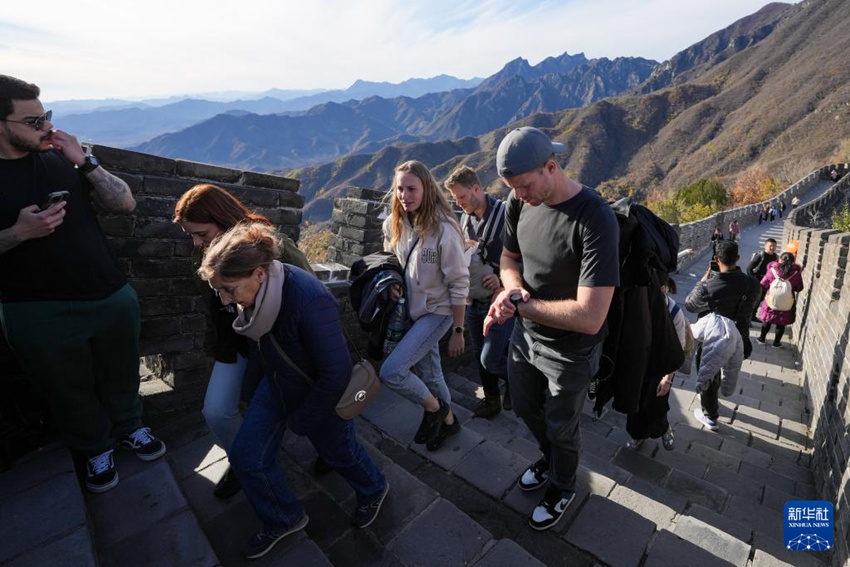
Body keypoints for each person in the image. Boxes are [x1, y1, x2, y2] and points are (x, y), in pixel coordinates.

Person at [0, 75, 164, 493]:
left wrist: (86, 162)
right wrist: (19, 233)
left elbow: (125, 203)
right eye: (34, 121)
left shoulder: (60, 157)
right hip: (35, 307)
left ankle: (131, 426)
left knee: (122, 370)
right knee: (65, 385)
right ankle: (94, 446)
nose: (47, 128)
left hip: (108, 292)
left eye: (47, 117)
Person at [198, 222, 388, 559]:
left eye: (229, 289)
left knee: (339, 453)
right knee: (247, 456)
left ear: (258, 273)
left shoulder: (309, 299)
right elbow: (262, 345)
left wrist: (303, 421)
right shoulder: (257, 295)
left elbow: (335, 371)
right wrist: (252, 387)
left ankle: (374, 488)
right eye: (220, 291)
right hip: (279, 384)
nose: (226, 300)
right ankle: (283, 517)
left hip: (321, 396)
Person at [484, 127, 619, 531]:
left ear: (550, 167)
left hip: (571, 350)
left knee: (563, 426)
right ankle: (550, 460)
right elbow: (508, 260)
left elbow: (590, 314)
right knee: (525, 407)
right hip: (525, 338)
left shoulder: (595, 217)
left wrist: (522, 303)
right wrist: (511, 292)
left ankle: (563, 485)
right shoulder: (516, 201)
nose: (519, 195)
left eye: (524, 186)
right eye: (512, 188)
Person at [173, 183, 314, 499]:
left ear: (222, 220)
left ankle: (335, 456)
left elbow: (313, 297)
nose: (197, 242)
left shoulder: (273, 247)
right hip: (236, 346)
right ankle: (246, 461)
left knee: (303, 412)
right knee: (217, 410)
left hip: (280, 348)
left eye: (201, 233)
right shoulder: (209, 251)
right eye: (191, 236)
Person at [381, 160, 469, 451]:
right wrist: (394, 282)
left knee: (393, 371)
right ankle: (450, 422)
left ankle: (434, 410)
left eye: (411, 188)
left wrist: (458, 330)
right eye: (399, 189)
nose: (404, 195)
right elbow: (394, 261)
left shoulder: (445, 231)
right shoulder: (398, 223)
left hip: (439, 312)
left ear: (427, 189)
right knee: (431, 373)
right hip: (414, 312)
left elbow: (459, 284)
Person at [444, 165, 513, 418]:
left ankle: (520, 382)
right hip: (473, 300)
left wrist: (503, 282)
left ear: (476, 189)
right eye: (454, 199)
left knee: (491, 358)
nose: (459, 203)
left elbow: (525, 257)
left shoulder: (506, 215)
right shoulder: (465, 218)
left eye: (461, 197)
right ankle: (492, 399)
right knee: (479, 355)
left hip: (500, 302)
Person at [685, 240, 760, 431]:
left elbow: (690, 306)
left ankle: (710, 415)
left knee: (710, 373)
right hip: (740, 339)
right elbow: (752, 308)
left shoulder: (708, 286)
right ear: (738, 258)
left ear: (716, 259)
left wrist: (701, 283)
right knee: (726, 370)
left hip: (713, 338)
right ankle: (715, 399)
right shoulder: (752, 284)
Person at [625, 276, 686, 451]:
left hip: (661, 367)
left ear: (663, 289)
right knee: (634, 404)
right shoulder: (636, 307)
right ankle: (637, 435)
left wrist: (668, 379)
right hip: (638, 365)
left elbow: (678, 349)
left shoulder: (674, 312)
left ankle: (664, 428)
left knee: (655, 404)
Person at [756, 251, 803, 348]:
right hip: (786, 302)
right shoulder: (796, 274)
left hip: (771, 300)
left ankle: (761, 338)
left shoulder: (772, 270)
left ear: (780, 260)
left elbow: (763, 283)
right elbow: (799, 288)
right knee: (781, 323)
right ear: (793, 262)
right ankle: (776, 343)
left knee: (767, 320)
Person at [746, 238, 778, 321]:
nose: (773, 248)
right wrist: (753, 280)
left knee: (759, 300)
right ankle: (747, 317)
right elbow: (749, 268)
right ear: (765, 246)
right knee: (752, 300)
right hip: (757, 281)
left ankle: (752, 316)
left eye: (774, 246)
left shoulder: (775, 257)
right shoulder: (760, 256)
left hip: (767, 283)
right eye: (770, 246)